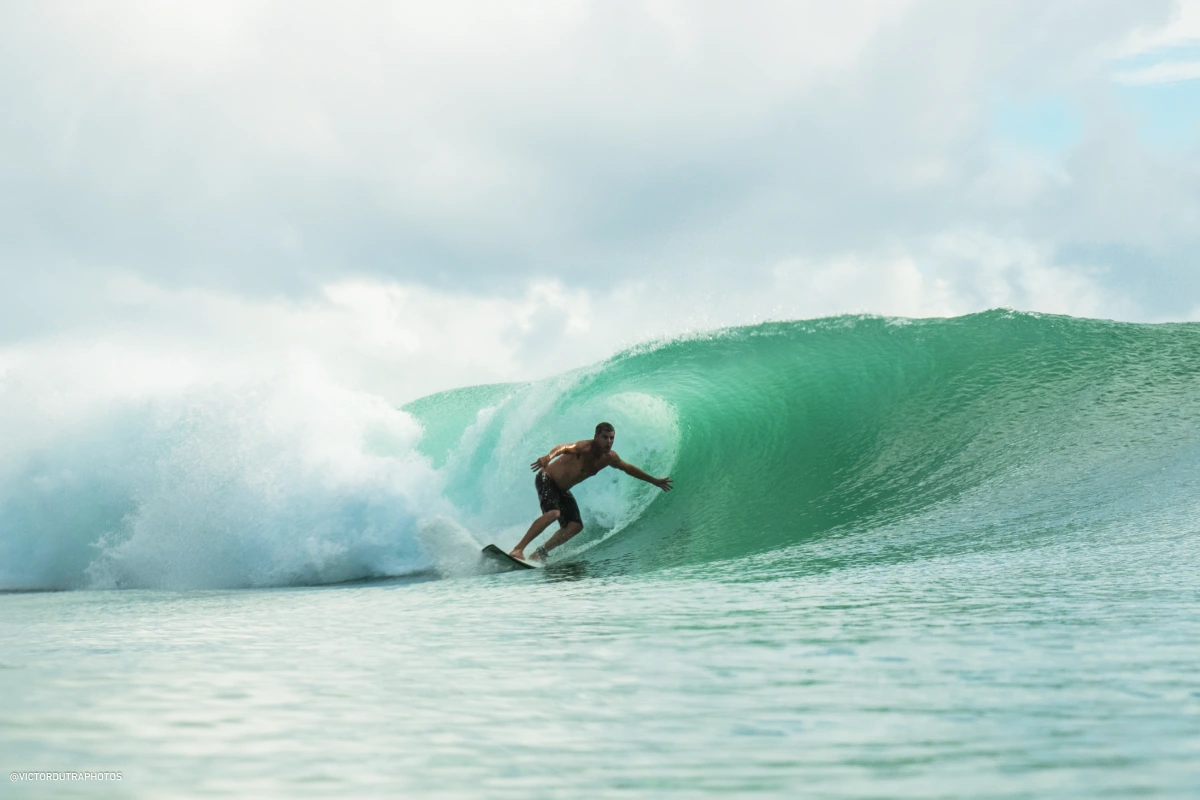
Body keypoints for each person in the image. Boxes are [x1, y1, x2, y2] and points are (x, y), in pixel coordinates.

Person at [509, 422, 672, 562]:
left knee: (575, 526)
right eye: (605, 437)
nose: (609, 442)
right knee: (553, 513)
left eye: (612, 438)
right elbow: (564, 447)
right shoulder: (584, 447)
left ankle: (540, 553)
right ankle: (518, 549)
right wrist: (548, 457)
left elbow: (629, 469)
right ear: (596, 437)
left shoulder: (610, 458)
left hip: (562, 489)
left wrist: (654, 481)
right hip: (547, 478)